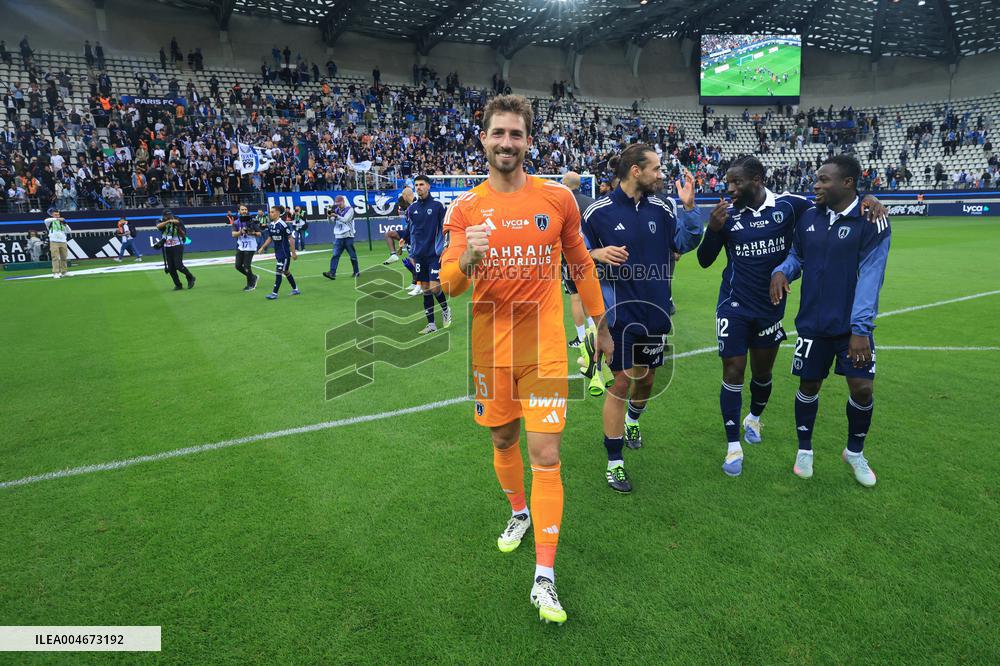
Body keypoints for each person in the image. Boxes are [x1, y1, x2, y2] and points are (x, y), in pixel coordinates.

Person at [439, 94, 611, 625]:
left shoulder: (557, 199)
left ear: (528, 141)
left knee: (546, 455)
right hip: (492, 354)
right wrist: (468, 256)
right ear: (484, 139)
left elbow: (581, 262)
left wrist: (600, 323)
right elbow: (448, 285)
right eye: (498, 134)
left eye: (516, 134)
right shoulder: (465, 209)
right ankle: (518, 513)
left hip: (544, 350)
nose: (507, 143)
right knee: (502, 440)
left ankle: (545, 578)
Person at [697, 156, 887, 477]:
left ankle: (758, 418)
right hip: (735, 305)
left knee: (763, 375)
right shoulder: (730, 215)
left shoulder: (792, 207)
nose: (728, 188)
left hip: (775, 310)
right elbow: (705, 259)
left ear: (756, 180)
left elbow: (845, 210)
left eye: (735, 182)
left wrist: (869, 198)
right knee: (734, 370)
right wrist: (714, 230)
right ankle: (736, 447)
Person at [582, 145, 705, 493]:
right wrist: (596, 253)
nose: (662, 175)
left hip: (655, 314)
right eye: (657, 169)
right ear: (635, 171)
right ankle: (615, 463)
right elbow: (573, 258)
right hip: (620, 316)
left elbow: (685, 242)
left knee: (647, 381)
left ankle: (633, 421)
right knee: (620, 384)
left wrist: (690, 209)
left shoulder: (664, 207)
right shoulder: (597, 212)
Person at [770, 155, 891, 487]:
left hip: (852, 328)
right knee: (808, 385)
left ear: (847, 183)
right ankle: (804, 449)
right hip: (812, 321)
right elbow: (798, 255)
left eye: (824, 180)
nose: (816, 185)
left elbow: (871, 275)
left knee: (862, 388)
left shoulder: (871, 220)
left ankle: (854, 452)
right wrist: (783, 270)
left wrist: (860, 329)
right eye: (817, 179)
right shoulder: (809, 217)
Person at [402, 175, 450, 333]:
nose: (418, 187)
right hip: (419, 255)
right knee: (425, 290)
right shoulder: (412, 208)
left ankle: (445, 309)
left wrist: (446, 246)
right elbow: (411, 229)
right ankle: (431, 324)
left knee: (435, 288)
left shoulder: (438, 206)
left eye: (422, 184)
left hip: (434, 255)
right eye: (416, 185)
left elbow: (445, 227)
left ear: (428, 186)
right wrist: (404, 239)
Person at [560, 171, 596, 348]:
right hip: (592, 255)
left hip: (571, 256)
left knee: (575, 296)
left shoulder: (563, 202)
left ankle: (582, 338)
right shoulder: (591, 202)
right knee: (590, 293)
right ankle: (595, 331)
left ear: (566, 184)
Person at [258, 205, 299, 299]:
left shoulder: (283, 224)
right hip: (278, 253)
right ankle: (296, 289)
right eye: (270, 212)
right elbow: (270, 238)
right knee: (286, 271)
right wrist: (262, 247)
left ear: (277, 213)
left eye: (272, 212)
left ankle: (274, 294)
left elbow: (291, 239)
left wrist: (293, 253)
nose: (270, 214)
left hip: (284, 254)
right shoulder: (271, 225)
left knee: (279, 271)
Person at [156, 210, 196, 291]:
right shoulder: (161, 220)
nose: (169, 216)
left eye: (170, 215)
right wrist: (168, 221)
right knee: (171, 268)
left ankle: (190, 277)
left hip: (177, 244)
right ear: (164, 216)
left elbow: (178, 222)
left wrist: (172, 221)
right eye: (167, 216)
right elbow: (158, 226)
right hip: (167, 246)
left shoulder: (176, 218)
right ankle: (178, 285)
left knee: (178, 265)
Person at [322, 195, 360, 280]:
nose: (338, 204)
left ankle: (356, 271)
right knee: (335, 255)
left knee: (352, 255)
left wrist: (336, 216)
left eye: (340, 202)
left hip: (348, 235)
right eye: (337, 202)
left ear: (343, 201)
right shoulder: (336, 210)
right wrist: (328, 217)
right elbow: (331, 222)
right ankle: (332, 273)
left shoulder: (349, 209)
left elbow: (345, 219)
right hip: (339, 236)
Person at [231, 204, 261, 291]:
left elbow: (259, 233)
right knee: (238, 266)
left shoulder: (252, 221)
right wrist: (241, 231)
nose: (244, 211)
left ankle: (250, 284)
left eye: (245, 209)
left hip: (251, 246)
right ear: (239, 211)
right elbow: (233, 234)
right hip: (241, 246)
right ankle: (253, 277)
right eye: (242, 209)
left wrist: (252, 233)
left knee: (247, 266)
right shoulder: (236, 222)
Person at [383, 186, 414, 263]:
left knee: (414, 263)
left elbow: (411, 227)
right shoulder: (408, 209)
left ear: (405, 197)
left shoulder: (413, 208)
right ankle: (393, 255)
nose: (400, 206)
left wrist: (403, 240)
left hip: (415, 235)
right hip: (410, 233)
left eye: (400, 203)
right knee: (388, 234)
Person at [43, 208, 71, 278]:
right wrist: (58, 219)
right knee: (55, 257)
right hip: (54, 241)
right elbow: (45, 220)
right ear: (52, 215)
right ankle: (55, 272)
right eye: (55, 214)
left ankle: (64, 272)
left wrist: (65, 224)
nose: (57, 215)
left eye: (58, 214)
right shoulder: (50, 222)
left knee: (64, 257)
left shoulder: (61, 222)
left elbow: (69, 231)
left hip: (63, 241)